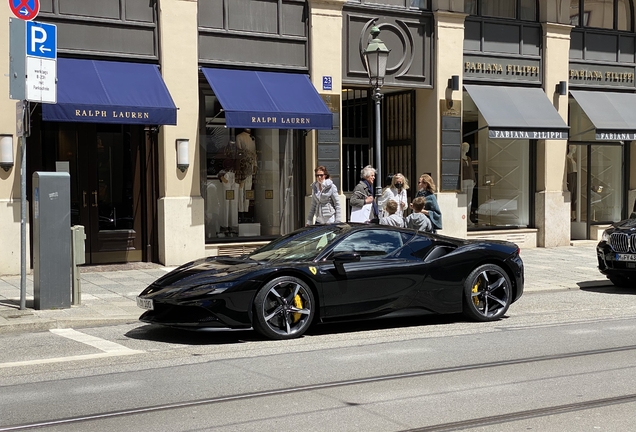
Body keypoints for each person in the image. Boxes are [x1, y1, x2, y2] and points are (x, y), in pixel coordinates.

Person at [461, 142, 476, 225]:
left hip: (470, 180)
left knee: (469, 200)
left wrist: (474, 180)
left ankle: (468, 218)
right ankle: (463, 217)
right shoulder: (460, 158)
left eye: (468, 147)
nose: (468, 149)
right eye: (466, 147)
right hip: (463, 180)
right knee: (463, 200)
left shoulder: (469, 158)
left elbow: (472, 170)